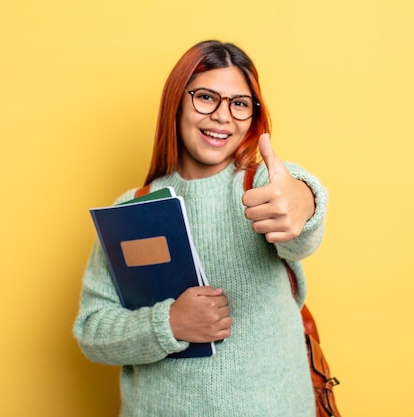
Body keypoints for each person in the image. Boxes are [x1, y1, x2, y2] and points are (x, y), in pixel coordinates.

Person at [73, 40, 327, 417]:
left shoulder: (262, 185)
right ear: (176, 102)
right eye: (206, 97)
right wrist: (169, 323)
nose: (223, 116)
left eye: (239, 103)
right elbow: (92, 332)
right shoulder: (131, 208)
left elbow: (301, 218)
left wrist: (303, 202)